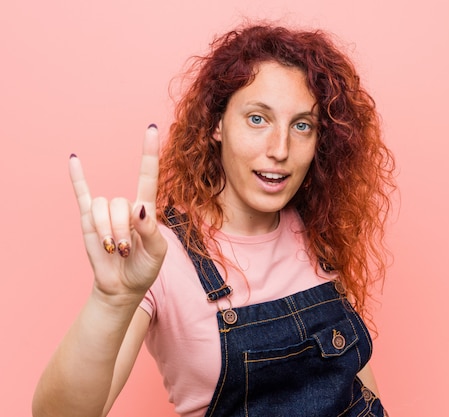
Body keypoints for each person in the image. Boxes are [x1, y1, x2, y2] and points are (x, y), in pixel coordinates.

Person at [33, 24, 395, 417]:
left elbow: (357, 388)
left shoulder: (316, 226)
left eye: (301, 125)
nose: (280, 149)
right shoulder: (157, 256)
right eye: (258, 119)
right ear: (216, 124)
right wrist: (109, 301)